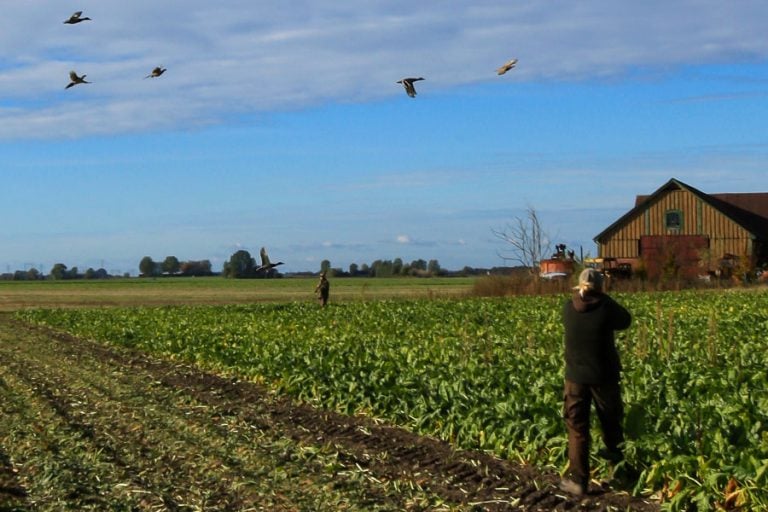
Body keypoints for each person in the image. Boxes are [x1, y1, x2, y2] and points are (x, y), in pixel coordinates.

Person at [559, 268, 632, 496]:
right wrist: (604, 296)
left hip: (575, 379)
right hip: (604, 377)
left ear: (579, 286)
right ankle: (619, 475)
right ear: (601, 287)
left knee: (577, 428)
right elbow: (626, 320)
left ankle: (579, 480)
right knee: (611, 425)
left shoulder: (568, 308)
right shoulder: (606, 307)